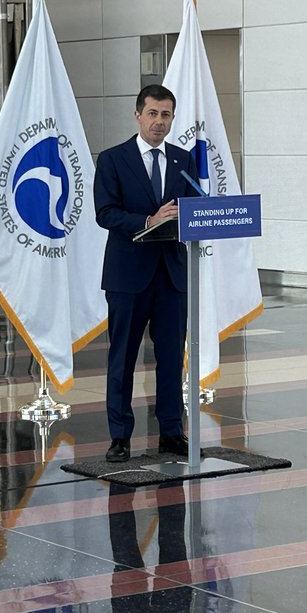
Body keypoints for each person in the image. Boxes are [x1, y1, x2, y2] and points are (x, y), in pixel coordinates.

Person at [94, 84, 194, 463]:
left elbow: (195, 206)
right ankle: (119, 436)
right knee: (123, 359)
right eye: (152, 113)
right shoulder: (113, 159)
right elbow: (105, 212)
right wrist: (148, 221)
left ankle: (171, 431)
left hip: (171, 276)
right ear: (138, 115)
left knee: (171, 358)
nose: (159, 122)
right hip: (128, 277)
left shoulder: (184, 160)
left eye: (166, 115)